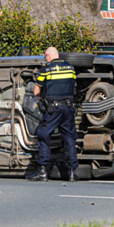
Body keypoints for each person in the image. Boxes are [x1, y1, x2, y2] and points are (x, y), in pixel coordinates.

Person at [26, 47, 79, 182]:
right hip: (68, 108)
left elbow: (36, 91)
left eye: (46, 57)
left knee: (44, 135)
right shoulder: (71, 68)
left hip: (53, 109)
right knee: (69, 138)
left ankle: (43, 171)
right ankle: (72, 172)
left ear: (48, 56)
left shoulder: (46, 69)